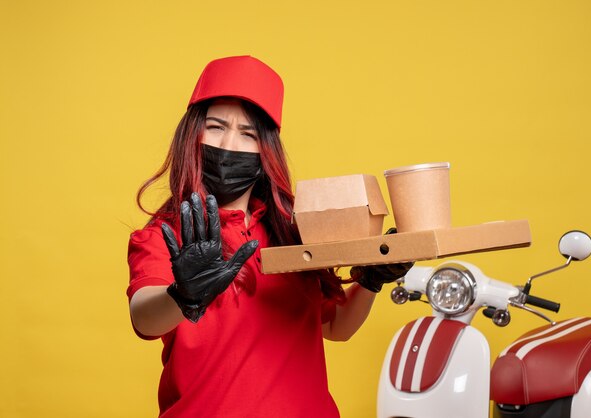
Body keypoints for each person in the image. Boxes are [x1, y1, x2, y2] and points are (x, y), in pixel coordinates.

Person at [126, 55, 412, 417]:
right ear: (191, 135)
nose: (230, 144)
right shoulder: (164, 234)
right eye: (215, 127)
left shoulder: (293, 230)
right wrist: (182, 296)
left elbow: (334, 326)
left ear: (266, 150)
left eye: (247, 134)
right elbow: (144, 317)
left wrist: (371, 282)